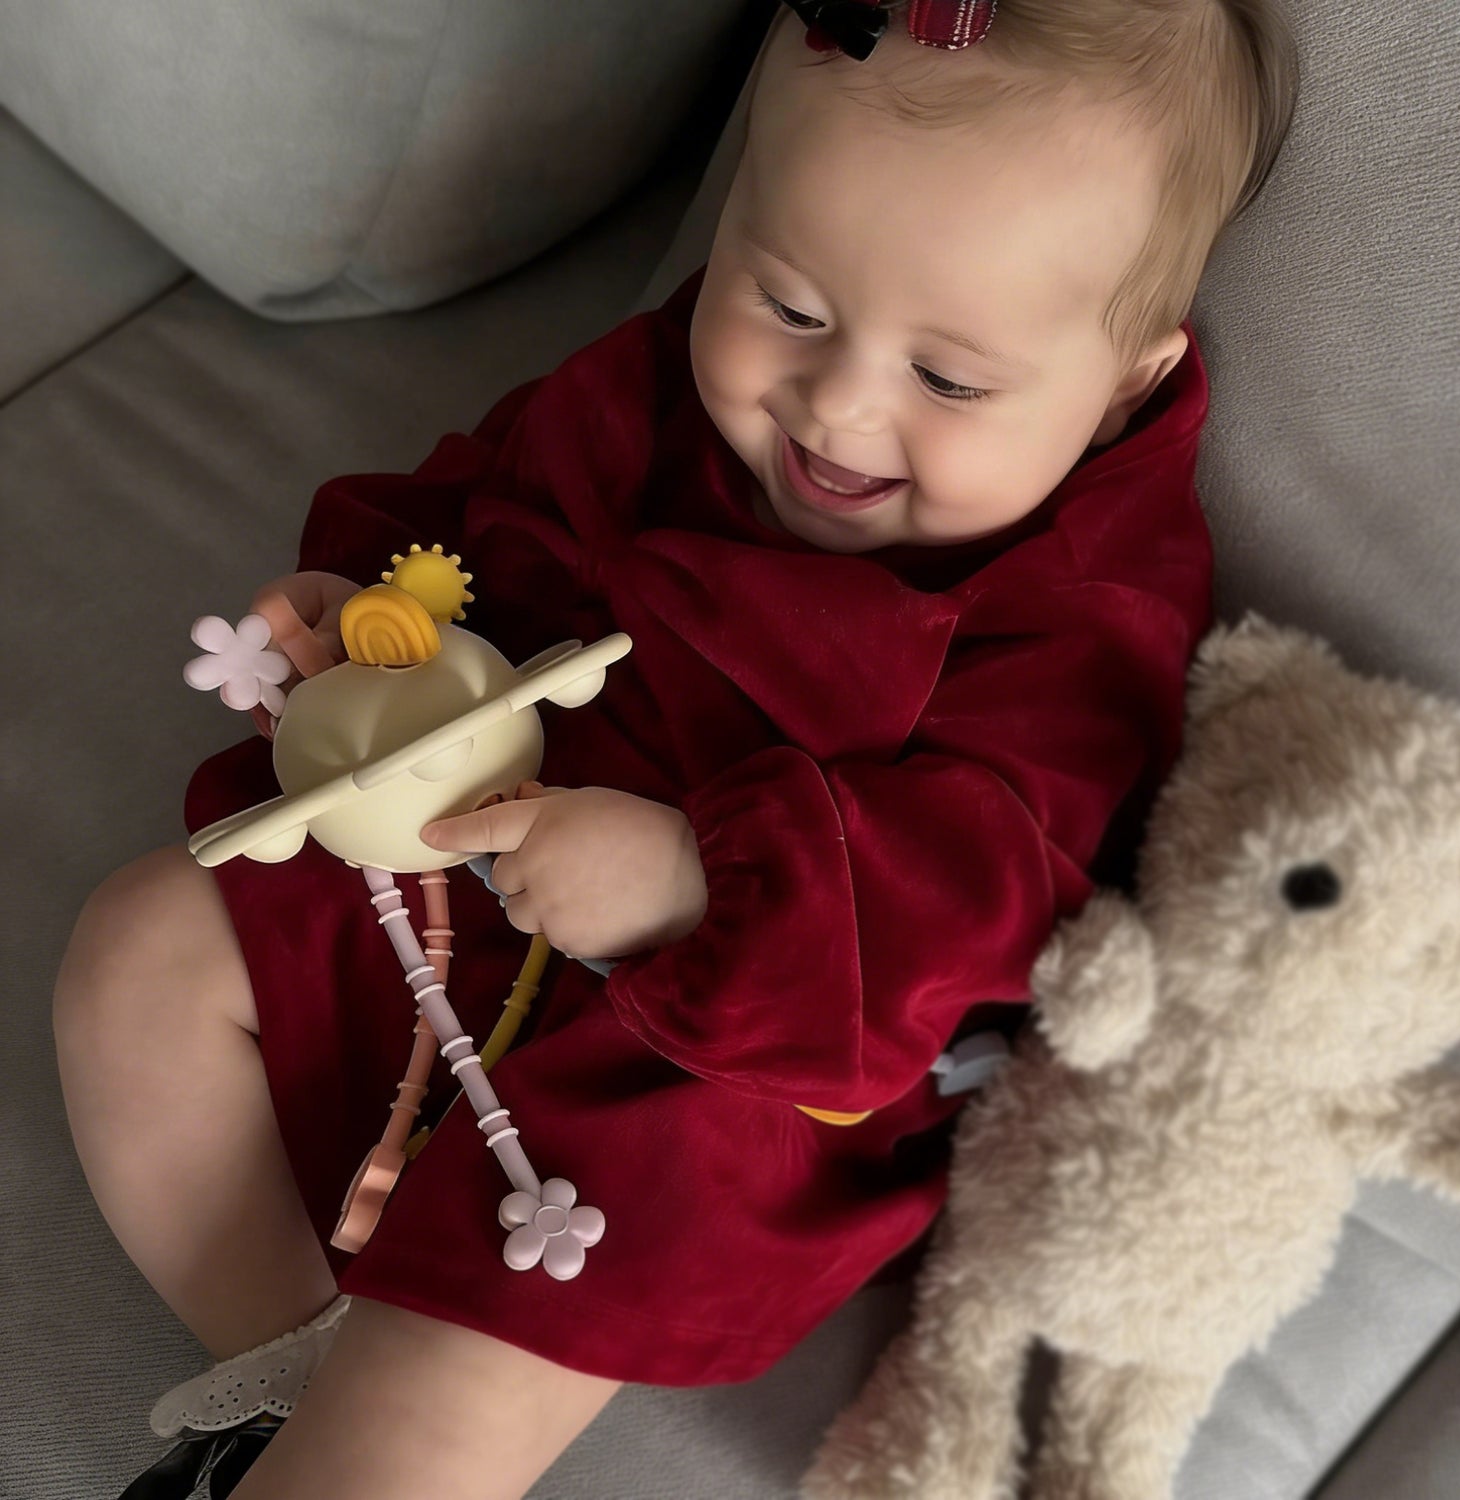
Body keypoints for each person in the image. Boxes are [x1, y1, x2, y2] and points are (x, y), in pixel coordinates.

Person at [53, 3, 1298, 1497]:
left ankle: (372, 1443)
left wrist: (695, 887)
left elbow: (988, 889)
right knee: (140, 951)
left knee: (591, 1234)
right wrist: (374, 613)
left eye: (950, 382)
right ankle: (287, 1373)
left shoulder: (1085, 604)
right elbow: (490, 508)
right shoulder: (653, 388)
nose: (837, 404)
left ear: (1125, 385)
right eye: (787, 303)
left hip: (730, 1034)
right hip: (467, 864)